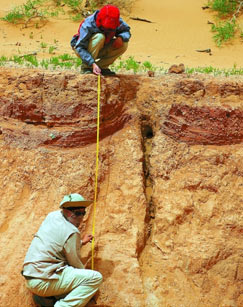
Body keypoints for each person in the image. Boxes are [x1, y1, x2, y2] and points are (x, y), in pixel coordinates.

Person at [22, 193, 102, 307]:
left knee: (66, 273)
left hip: (31, 276)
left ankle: (47, 298)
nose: (81, 217)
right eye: (78, 213)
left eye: (83, 213)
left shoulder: (52, 216)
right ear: (68, 212)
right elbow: (75, 263)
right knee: (95, 278)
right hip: (43, 282)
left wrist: (80, 243)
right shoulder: (72, 231)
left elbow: (56, 242)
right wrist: (86, 281)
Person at [71, 4, 131, 75]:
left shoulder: (116, 20)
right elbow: (80, 47)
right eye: (105, 28)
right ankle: (87, 67)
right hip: (83, 50)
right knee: (100, 37)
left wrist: (121, 37)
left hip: (101, 47)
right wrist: (91, 63)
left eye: (110, 29)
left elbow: (126, 31)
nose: (107, 30)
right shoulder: (88, 24)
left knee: (124, 44)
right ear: (99, 21)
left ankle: (101, 67)